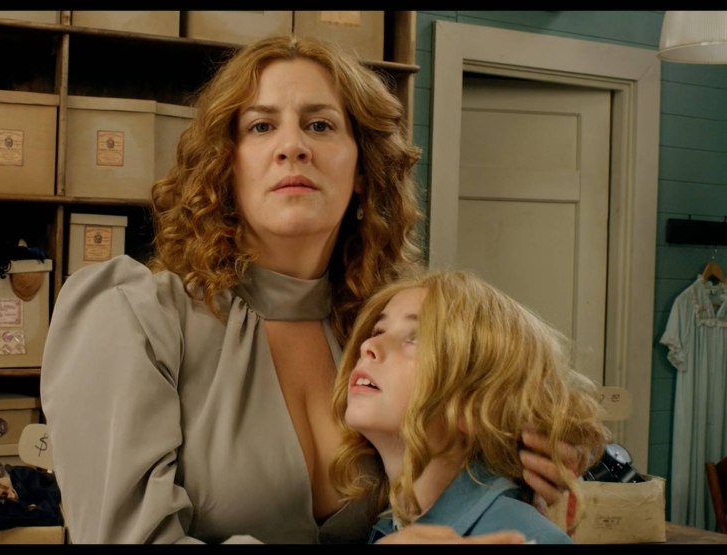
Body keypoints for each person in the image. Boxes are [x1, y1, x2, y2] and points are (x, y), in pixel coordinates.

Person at [40, 35, 581, 544]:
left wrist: (534, 455)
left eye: (320, 125)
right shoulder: (131, 315)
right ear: (225, 165)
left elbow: (493, 448)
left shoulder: (383, 324)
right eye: (260, 127)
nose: (292, 147)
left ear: (363, 168)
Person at [330, 270, 608, 544]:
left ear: (476, 402)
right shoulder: (388, 527)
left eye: (416, 337)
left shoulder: (528, 536)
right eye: (378, 330)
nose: (369, 345)